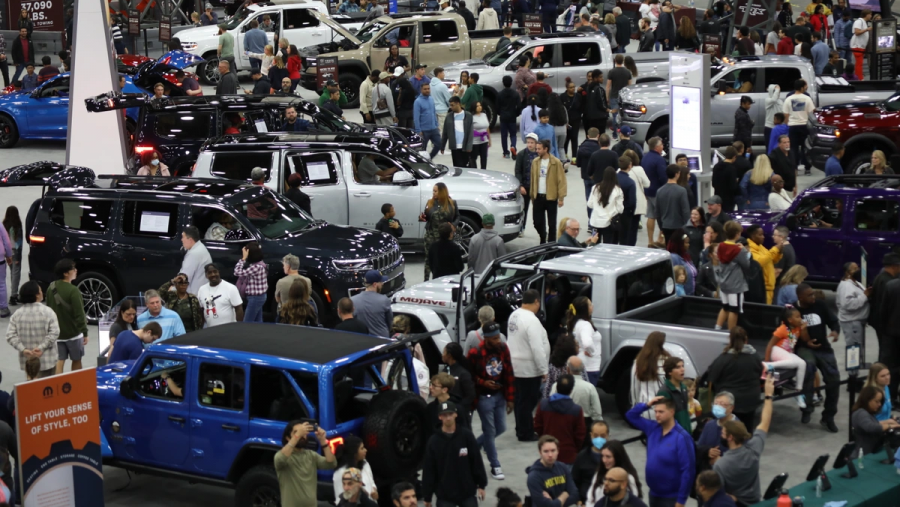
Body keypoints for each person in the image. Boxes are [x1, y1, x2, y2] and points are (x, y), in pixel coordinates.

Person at [711, 374, 774, 506]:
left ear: (730, 437)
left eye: (723, 432)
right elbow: (765, 422)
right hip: (755, 502)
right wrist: (768, 396)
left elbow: (717, 493)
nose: (721, 434)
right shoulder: (753, 449)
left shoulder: (721, 465)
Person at [625, 397, 695, 507]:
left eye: (661, 412)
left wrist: (681, 501)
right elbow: (630, 416)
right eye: (655, 411)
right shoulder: (652, 428)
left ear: (672, 412)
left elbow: (688, 471)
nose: (657, 415)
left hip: (672, 498)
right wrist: (646, 405)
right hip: (653, 494)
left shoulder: (681, 437)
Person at [421, 400, 487, 507]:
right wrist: (427, 497)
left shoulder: (466, 436)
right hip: (445, 495)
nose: (448, 418)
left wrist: (481, 485)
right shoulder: (433, 441)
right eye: (444, 415)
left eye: (450, 414)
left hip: (467, 493)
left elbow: (476, 461)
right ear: (440, 417)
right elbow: (429, 470)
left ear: (456, 414)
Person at [794, 283, 841, 431]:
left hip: (823, 348)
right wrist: (804, 341)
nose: (813, 297)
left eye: (813, 294)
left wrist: (835, 331)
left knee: (834, 379)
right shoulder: (794, 310)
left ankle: (828, 417)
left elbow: (833, 320)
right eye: (809, 295)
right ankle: (807, 408)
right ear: (800, 297)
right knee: (808, 369)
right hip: (804, 347)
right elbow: (789, 332)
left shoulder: (820, 305)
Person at [509, 289, 550, 442]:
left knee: (520, 400)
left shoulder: (514, 315)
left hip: (516, 364)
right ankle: (525, 432)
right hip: (529, 368)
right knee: (528, 401)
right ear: (537, 302)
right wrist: (543, 369)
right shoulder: (531, 320)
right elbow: (537, 347)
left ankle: (521, 428)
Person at [707, 327, 764, 426]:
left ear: (730, 339)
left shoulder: (724, 358)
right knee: (747, 430)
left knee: (729, 432)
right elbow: (760, 373)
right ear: (746, 339)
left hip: (730, 402)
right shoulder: (755, 356)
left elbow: (712, 376)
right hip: (751, 400)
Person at [275, 420, 336, 507]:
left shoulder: (311, 455)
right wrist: (298, 435)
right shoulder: (282, 456)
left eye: (303, 432)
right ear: (288, 438)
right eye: (296, 432)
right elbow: (280, 459)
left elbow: (331, 463)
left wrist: (323, 440)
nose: (301, 435)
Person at [5, 281, 59, 378]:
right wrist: (41, 347)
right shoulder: (48, 312)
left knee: (31, 386)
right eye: (40, 291)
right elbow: (54, 333)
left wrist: (23, 349)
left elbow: (10, 336)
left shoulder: (17, 314)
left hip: (28, 362)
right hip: (47, 361)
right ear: (37, 295)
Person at [44, 259, 88, 374]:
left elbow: (48, 309)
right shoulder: (74, 291)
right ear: (66, 273)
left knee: (60, 360)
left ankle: (58, 384)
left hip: (57, 333)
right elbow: (79, 315)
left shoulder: (51, 287)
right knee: (77, 359)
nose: (76, 270)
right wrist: (85, 332)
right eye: (73, 269)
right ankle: (76, 383)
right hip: (73, 333)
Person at [534, 374, 586, 465]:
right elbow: (580, 434)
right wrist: (575, 449)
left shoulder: (543, 405)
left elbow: (537, 426)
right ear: (571, 390)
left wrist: (544, 440)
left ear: (556, 387)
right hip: (568, 455)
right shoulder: (576, 410)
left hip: (548, 454)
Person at [714, 222, 751, 331]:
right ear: (738, 234)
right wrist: (744, 250)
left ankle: (717, 329)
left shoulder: (720, 245)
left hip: (723, 284)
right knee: (734, 310)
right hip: (736, 285)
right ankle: (731, 335)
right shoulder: (738, 250)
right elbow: (747, 265)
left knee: (725, 307)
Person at [526, 436, 580, 507]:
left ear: (558, 451)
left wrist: (554, 502)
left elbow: (575, 495)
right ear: (540, 452)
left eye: (553, 450)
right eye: (546, 451)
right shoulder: (534, 477)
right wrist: (565, 494)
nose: (550, 455)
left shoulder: (563, 467)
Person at [531, 140, 567, 244]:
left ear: (546, 149)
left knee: (552, 224)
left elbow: (562, 180)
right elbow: (533, 179)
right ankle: (543, 237)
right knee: (537, 222)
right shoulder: (535, 162)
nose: (537, 150)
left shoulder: (556, 162)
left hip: (551, 197)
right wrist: (532, 195)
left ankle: (551, 245)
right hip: (538, 196)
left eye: (539, 149)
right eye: (536, 148)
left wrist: (561, 198)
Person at [421, 183, 458, 280]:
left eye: (435, 191)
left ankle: (440, 279)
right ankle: (426, 281)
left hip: (444, 236)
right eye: (433, 191)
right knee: (429, 259)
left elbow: (458, 216)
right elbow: (426, 216)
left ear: (442, 191)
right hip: (431, 236)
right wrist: (422, 218)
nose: (433, 193)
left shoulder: (452, 203)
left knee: (443, 260)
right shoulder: (430, 203)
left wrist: (453, 225)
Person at [851, 385, 900, 457]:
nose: (879, 404)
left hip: (871, 453)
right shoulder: (861, 413)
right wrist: (891, 425)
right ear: (867, 400)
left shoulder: (866, 412)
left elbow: (872, 423)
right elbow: (871, 427)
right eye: (876, 401)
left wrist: (888, 421)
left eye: (880, 401)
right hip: (863, 456)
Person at [869, 253, 900, 367]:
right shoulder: (888, 282)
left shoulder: (881, 277)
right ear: (894, 266)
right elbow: (885, 306)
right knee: (888, 354)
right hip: (886, 326)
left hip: (881, 323)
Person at [631, 332, 669, 420]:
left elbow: (634, 387)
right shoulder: (667, 360)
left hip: (646, 408)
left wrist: (635, 406)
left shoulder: (639, 361)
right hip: (664, 408)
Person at [782, 80, 816, 173]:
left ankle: (794, 167)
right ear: (802, 88)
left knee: (793, 148)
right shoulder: (807, 98)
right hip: (804, 126)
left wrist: (787, 124)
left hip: (792, 126)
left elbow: (786, 115)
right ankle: (807, 168)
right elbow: (812, 113)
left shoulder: (788, 99)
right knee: (805, 147)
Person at [197, 263, 244, 327]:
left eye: (215, 272)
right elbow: (201, 310)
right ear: (206, 275)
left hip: (228, 329)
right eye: (210, 272)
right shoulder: (201, 289)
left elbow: (239, 309)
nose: (213, 274)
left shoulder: (231, 288)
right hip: (209, 330)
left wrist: (239, 326)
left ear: (219, 272)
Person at [585, 134, 620, 219]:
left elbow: (589, 171)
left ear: (599, 143)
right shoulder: (614, 154)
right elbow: (617, 169)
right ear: (609, 143)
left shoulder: (594, 155)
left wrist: (592, 176)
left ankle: (592, 223)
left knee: (594, 203)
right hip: (611, 184)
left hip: (597, 183)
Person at [837, 261, 869, 352]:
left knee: (858, 347)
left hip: (856, 321)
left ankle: (858, 364)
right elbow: (848, 304)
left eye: (858, 267)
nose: (858, 270)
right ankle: (854, 366)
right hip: (851, 322)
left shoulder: (855, 283)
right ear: (847, 272)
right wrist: (865, 296)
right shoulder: (846, 286)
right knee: (854, 349)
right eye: (855, 269)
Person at [588, 166, 624, 244]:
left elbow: (590, 204)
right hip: (609, 222)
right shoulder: (617, 190)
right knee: (608, 245)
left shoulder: (595, 187)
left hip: (595, 222)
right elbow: (620, 209)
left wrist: (597, 207)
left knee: (594, 243)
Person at [643, 137, 669, 245]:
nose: (663, 146)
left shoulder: (645, 157)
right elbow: (663, 177)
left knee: (651, 215)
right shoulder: (659, 160)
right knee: (664, 216)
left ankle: (650, 240)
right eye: (661, 144)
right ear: (657, 147)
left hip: (647, 191)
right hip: (658, 192)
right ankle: (660, 239)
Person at [656, 165, 691, 244]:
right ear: (676, 174)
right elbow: (685, 211)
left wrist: (661, 227)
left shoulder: (659, 191)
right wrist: (687, 226)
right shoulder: (682, 191)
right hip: (679, 226)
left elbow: (657, 212)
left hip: (665, 226)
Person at [234, 242, 267, 323]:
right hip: (259, 297)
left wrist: (243, 258)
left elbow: (237, 272)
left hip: (255, 298)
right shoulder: (260, 264)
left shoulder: (256, 267)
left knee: (247, 323)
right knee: (257, 321)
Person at [441, 96, 474, 168]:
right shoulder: (449, 117)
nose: (451, 107)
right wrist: (442, 146)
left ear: (458, 104)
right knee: (457, 167)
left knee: (466, 167)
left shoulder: (468, 115)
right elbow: (445, 132)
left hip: (465, 147)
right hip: (454, 147)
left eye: (452, 105)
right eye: (450, 105)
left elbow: (471, 132)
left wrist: (469, 146)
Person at [414, 82, 442, 160]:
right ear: (421, 90)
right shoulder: (417, 102)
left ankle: (429, 158)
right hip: (424, 130)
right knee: (423, 149)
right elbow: (416, 117)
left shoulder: (431, 99)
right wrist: (418, 130)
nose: (427, 90)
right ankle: (422, 163)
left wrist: (436, 125)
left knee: (439, 144)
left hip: (433, 128)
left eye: (428, 89)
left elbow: (433, 112)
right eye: (425, 89)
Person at [497, 75, 519, 159]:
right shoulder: (515, 94)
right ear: (511, 83)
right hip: (512, 116)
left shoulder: (500, 94)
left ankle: (506, 153)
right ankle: (513, 146)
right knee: (513, 134)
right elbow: (519, 106)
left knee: (504, 135)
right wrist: (516, 113)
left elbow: (497, 107)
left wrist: (500, 113)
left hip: (503, 116)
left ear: (503, 83)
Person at [712, 148, 740, 213]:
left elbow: (713, 183)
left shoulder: (716, 166)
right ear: (734, 157)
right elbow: (733, 187)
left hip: (718, 196)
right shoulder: (732, 169)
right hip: (728, 199)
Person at [851, 10, 872, 81]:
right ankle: (859, 78)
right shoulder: (858, 22)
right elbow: (857, 32)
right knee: (859, 63)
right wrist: (866, 30)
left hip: (861, 46)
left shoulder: (863, 22)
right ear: (866, 14)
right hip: (857, 46)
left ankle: (859, 77)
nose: (871, 16)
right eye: (870, 14)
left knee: (859, 63)